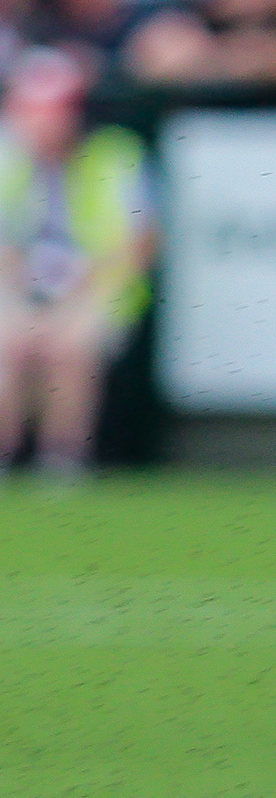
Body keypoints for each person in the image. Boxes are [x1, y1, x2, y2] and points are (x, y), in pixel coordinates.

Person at [0, 53, 151, 482]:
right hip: (21, 290)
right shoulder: (8, 156)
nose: (40, 124)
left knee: (73, 345)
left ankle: (62, 461)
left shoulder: (114, 154)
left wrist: (71, 302)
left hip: (97, 292)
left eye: (51, 113)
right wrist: (25, 301)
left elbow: (138, 243)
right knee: (5, 341)